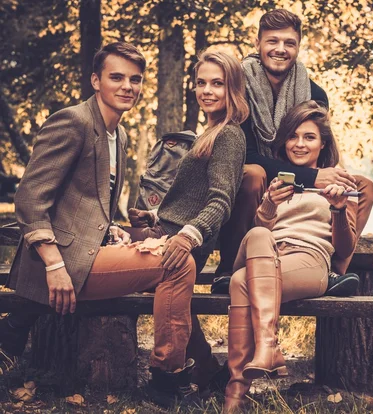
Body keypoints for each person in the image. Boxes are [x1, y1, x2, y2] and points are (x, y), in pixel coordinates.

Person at [0, 44, 247, 407]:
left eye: (135, 79)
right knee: (177, 267)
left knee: (177, 264)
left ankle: (199, 370)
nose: (127, 86)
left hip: (85, 254)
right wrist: (53, 265)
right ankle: (169, 379)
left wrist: (111, 230)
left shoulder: (121, 135)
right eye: (116, 77)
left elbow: (88, 206)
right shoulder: (74, 121)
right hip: (63, 263)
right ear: (95, 80)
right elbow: (30, 199)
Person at [214, 9, 373, 294]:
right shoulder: (239, 89)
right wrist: (313, 177)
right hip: (253, 178)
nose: (280, 49)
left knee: (361, 186)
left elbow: (318, 143)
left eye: (289, 43)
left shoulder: (315, 94)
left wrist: (328, 180)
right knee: (253, 174)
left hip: (296, 172)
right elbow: (245, 156)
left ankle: (334, 270)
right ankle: (230, 267)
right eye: (272, 41)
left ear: (298, 46)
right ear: (257, 43)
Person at [223, 100, 359, 413]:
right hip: (266, 254)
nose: (300, 144)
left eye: (309, 137)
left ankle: (235, 396)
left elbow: (344, 249)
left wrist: (338, 209)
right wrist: (269, 203)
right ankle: (268, 345)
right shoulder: (275, 182)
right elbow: (259, 229)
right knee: (258, 234)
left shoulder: (339, 184)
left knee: (241, 282)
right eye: (293, 136)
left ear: (322, 144)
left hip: (308, 261)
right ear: (284, 142)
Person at [127, 50, 250, 391]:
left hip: (179, 245)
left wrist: (188, 236)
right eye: (201, 83)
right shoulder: (209, 132)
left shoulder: (229, 135)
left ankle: (170, 377)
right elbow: (190, 198)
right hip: (162, 232)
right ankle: (208, 370)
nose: (207, 91)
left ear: (233, 89)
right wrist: (152, 214)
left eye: (217, 83)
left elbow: (220, 200)